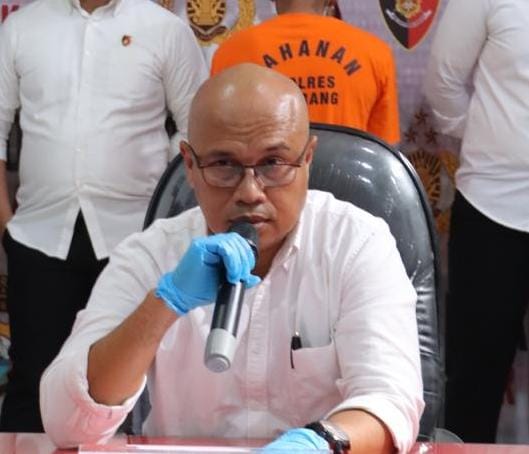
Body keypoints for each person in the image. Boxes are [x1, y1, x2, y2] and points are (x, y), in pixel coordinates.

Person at [40, 63, 423, 453]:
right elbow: (65, 423)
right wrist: (163, 305)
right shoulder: (150, 256)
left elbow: (390, 399)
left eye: (273, 164)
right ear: (190, 165)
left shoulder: (355, 243)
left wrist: (320, 444)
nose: (250, 192)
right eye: (224, 165)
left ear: (307, 159)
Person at [0, 0, 207, 432]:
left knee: (131, 389)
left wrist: (160, 179)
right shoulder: (20, 28)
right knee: (32, 384)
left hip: (138, 240)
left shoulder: (165, 29)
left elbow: (199, 126)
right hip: (38, 238)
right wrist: (7, 228)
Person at [424, 0, 529, 443]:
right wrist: (493, 137)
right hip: (490, 206)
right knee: (474, 379)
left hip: (491, 197)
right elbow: (442, 82)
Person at [210, 0, 400, 145]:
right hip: (347, 183)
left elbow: (217, 142)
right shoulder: (375, 53)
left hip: (260, 183)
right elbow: (384, 152)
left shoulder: (231, 52)